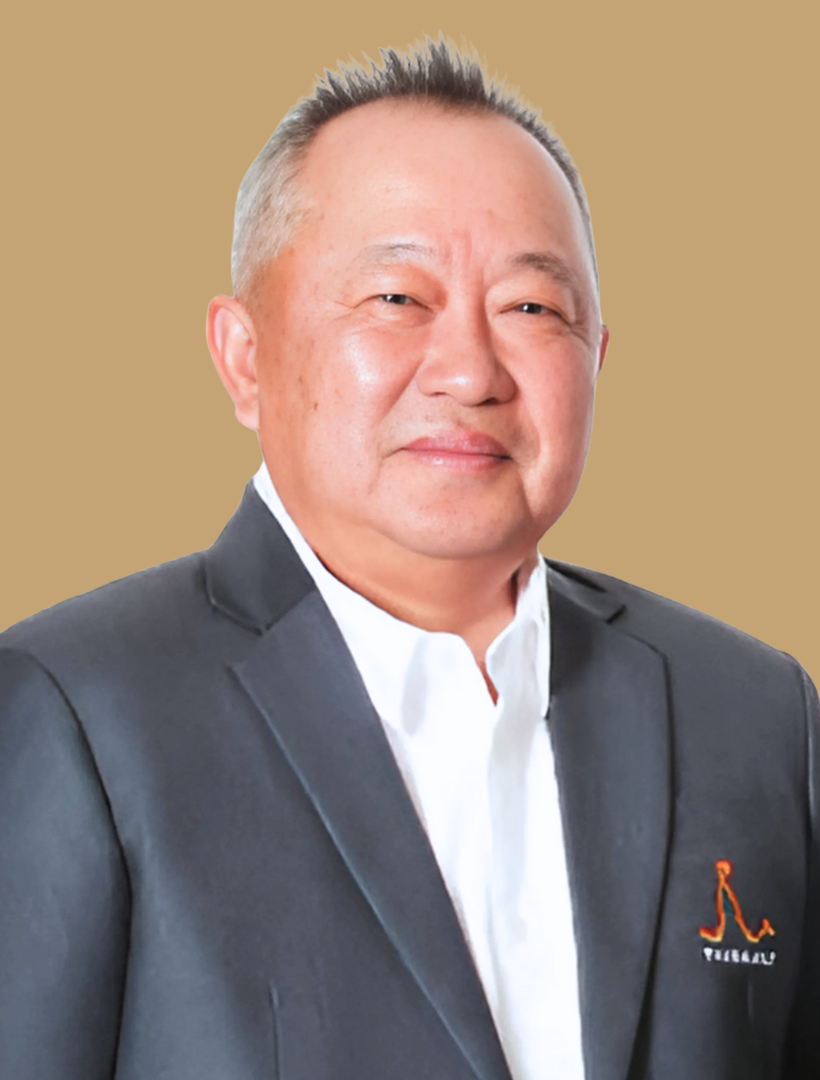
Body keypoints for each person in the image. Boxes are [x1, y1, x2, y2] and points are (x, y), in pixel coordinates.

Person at [0, 40, 817, 1080]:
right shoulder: (74, 710)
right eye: (396, 298)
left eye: (531, 308)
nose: (471, 372)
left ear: (596, 360)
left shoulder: (753, 712)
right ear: (244, 357)